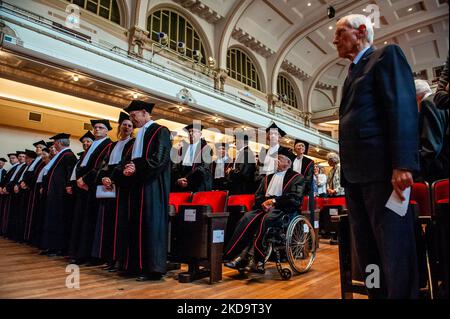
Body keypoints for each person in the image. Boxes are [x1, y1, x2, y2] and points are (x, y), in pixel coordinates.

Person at [333, 14, 419, 298]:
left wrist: (403, 163)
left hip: (383, 174)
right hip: (355, 178)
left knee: (394, 250)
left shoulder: (385, 56)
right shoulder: (349, 75)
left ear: (360, 32)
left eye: (339, 32)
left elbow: (402, 108)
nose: (334, 40)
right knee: (368, 254)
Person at [224, 147, 306, 274]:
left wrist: (274, 202)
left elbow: (295, 198)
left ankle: (256, 259)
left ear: (288, 163)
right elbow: (258, 196)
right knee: (247, 217)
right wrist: (263, 203)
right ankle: (235, 254)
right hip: (264, 208)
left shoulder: (297, 178)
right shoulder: (267, 178)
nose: (275, 161)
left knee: (266, 220)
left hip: (283, 210)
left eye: (279, 159)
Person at [92, 112, 135, 272]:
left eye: (130, 125)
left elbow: (125, 164)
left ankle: (118, 259)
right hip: (108, 184)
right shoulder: (112, 145)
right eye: (124, 124)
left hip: (121, 185)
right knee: (106, 222)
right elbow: (103, 165)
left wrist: (113, 178)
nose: (126, 127)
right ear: (119, 126)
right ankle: (108, 258)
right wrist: (104, 177)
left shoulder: (133, 143)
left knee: (119, 223)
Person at [69, 120, 113, 264]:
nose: (97, 129)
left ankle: (89, 255)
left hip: (93, 186)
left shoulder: (108, 145)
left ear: (107, 131)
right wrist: (79, 181)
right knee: (80, 221)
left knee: (91, 222)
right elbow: (82, 164)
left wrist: (86, 180)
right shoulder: (92, 145)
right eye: (95, 128)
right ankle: (79, 253)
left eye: (101, 127)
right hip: (83, 187)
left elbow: (102, 166)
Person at [40, 133, 77, 256]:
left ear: (59, 143)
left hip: (61, 195)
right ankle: (50, 246)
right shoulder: (61, 155)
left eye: (55, 142)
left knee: (59, 221)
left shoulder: (68, 155)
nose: (54, 145)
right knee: (52, 219)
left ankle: (58, 247)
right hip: (55, 194)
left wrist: (68, 187)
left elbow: (69, 175)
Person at [414, 79, 449, 183]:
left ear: (416, 97)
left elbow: (432, 147)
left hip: (438, 170)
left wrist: (413, 167)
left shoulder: (428, 103)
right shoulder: (441, 101)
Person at [172, 123, 212, 192]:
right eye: (189, 132)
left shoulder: (206, 148)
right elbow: (175, 166)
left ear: (200, 134)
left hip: (197, 184)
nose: (190, 133)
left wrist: (186, 179)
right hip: (182, 185)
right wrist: (178, 179)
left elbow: (203, 168)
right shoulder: (183, 148)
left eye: (193, 131)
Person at [292, 139, 315, 222]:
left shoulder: (309, 161)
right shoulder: (291, 160)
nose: (301, 147)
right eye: (299, 145)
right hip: (291, 187)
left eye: (303, 146)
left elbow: (309, 178)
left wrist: (300, 189)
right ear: (294, 148)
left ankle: (305, 229)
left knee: (304, 210)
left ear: (305, 149)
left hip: (304, 189)